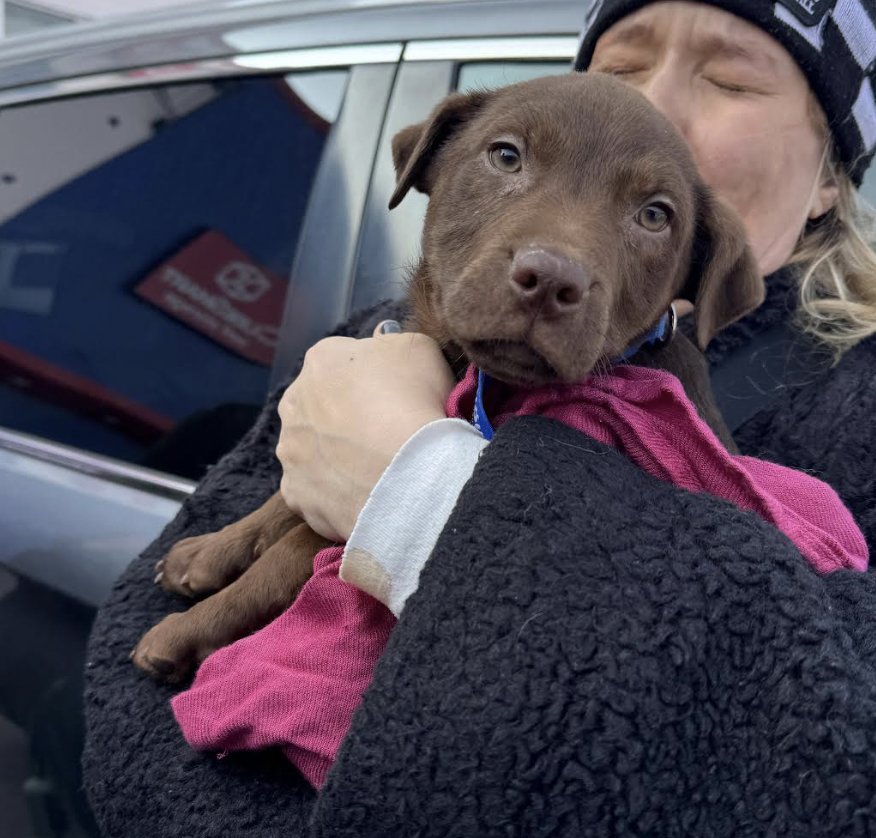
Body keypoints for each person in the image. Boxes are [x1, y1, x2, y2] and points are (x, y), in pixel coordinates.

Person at [83, 1, 876, 835]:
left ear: (832, 175)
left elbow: (826, 760)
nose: (657, 106)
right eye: (618, 69)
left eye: (728, 78)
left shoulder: (852, 413)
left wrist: (428, 494)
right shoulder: (381, 341)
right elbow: (140, 683)